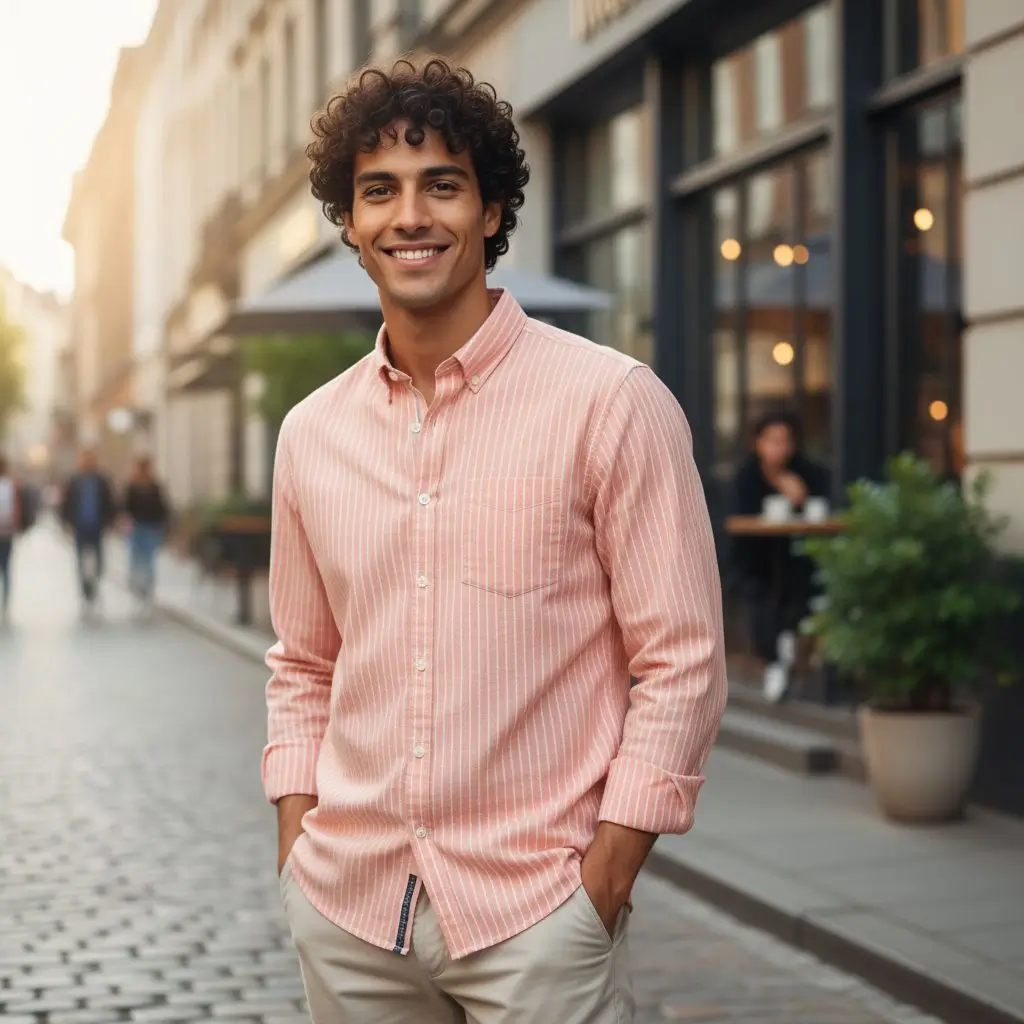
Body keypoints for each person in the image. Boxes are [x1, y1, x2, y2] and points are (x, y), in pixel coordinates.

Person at [263, 56, 727, 1023]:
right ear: (350, 224)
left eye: (444, 184)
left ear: (491, 209)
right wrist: (298, 847)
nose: (411, 216)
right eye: (379, 191)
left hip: (537, 919)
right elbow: (304, 664)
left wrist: (602, 883)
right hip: (350, 917)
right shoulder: (311, 435)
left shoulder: (610, 404)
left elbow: (681, 659)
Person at [726, 411, 831, 662]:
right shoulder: (745, 476)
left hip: (796, 552)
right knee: (760, 592)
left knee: (801, 581)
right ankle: (773, 658)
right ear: (758, 443)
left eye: (786, 441)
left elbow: (822, 509)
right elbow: (736, 520)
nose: (780, 448)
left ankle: (793, 645)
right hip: (754, 556)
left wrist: (800, 499)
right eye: (773, 440)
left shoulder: (806, 471)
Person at [61, 448, 117, 613]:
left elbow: (110, 503)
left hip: (97, 526)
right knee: (80, 559)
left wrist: (109, 522)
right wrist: (66, 523)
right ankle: (85, 588)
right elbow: (67, 503)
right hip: (80, 525)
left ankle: (94, 583)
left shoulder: (102, 481)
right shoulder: (75, 481)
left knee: (99, 560)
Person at [123, 455, 170, 612]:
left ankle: (147, 590)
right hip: (136, 527)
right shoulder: (132, 486)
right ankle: (138, 588)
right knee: (136, 560)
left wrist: (163, 524)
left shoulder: (154, 486)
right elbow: (125, 506)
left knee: (149, 561)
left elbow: (162, 507)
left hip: (151, 527)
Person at [0, 455, 20, 621]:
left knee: (5, 567)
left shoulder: (11, 485)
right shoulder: (10, 485)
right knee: (5, 568)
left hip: (6, 532)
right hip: (6, 531)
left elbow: (16, 508)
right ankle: (5, 601)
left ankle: (5, 601)